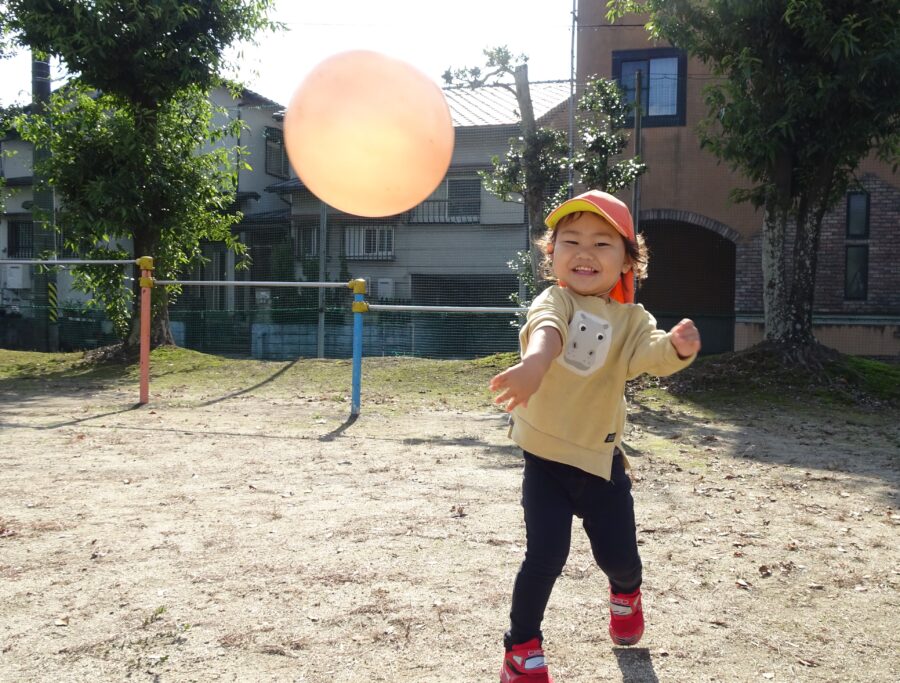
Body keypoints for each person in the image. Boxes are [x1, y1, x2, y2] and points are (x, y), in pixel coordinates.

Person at [490, 190, 701, 682]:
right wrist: (534, 364)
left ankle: (625, 595)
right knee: (544, 557)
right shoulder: (554, 299)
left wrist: (675, 348)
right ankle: (522, 649)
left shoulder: (632, 320)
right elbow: (548, 331)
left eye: (602, 243)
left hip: (601, 464)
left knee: (620, 560)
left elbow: (649, 355)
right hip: (545, 458)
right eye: (571, 241)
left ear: (628, 261)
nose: (584, 252)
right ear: (552, 254)